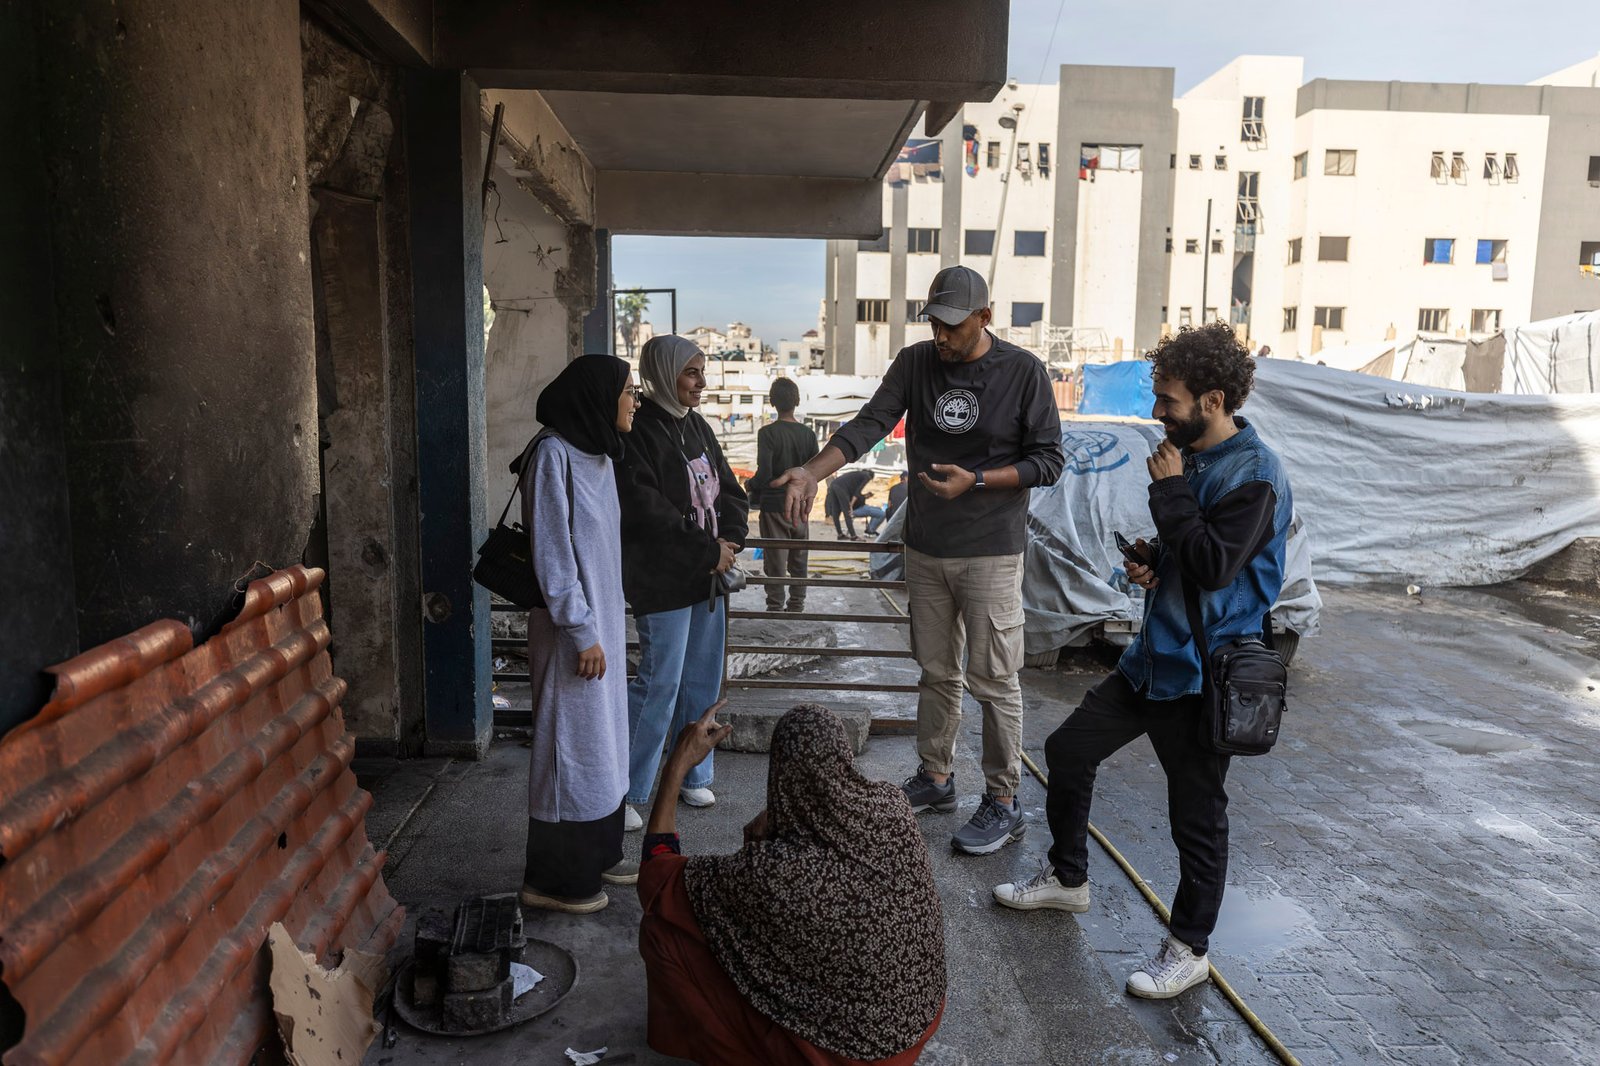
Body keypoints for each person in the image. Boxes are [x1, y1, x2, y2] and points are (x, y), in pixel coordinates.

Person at [993, 322, 1293, 1000]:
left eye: (1169, 399)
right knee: (1068, 750)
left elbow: (1216, 565)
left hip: (1204, 676)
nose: (1158, 411)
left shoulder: (1255, 474)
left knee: (1196, 819)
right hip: (1154, 660)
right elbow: (1193, 552)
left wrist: (1170, 494)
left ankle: (1189, 950)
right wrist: (1154, 560)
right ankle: (1068, 878)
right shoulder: (1196, 460)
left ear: (1212, 401)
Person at [776, 265, 1065, 856]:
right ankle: (936, 777)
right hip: (927, 547)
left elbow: (1049, 461)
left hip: (991, 549)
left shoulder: (1022, 371)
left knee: (993, 679)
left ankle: (1004, 800)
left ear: (985, 317)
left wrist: (977, 480)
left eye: (953, 326)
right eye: (935, 323)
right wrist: (810, 471)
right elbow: (869, 424)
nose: (941, 336)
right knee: (936, 672)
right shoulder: (915, 363)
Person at [637, 701, 946, 1066]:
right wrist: (781, 816)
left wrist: (676, 766)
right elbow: (828, 808)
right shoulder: (893, 805)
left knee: (662, 927)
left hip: (853, 1058)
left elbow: (656, 878)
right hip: (918, 1021)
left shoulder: (772, 873)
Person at [517, 354, 640, 914]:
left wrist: (606, 625)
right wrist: (581, 630)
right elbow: (553, 553)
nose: (634, 401)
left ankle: (599, 853)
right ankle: (554, 881)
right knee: (568, 747)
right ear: (598, 397)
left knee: (602, 744)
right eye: (628, 391)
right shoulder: (553, 454)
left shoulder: (600, 454)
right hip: (574, 632)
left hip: (602, 626)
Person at [617, 336, 749, 826]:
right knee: (660, 683)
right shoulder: (638, 431)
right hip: (664, 580)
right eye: (691, 372)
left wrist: (730, 541)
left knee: (701, 681)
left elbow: (731, 492)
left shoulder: (698, 426)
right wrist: (708, 551)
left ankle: (694, 774)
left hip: (709, 578)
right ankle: (627, 790)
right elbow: (647, 509)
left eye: (702, 371)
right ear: (663, 372)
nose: (701, 382)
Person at [753, 378, 819, 612]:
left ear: (772, 401)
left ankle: (774, 606)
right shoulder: (809, 435)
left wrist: (749, 485)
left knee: (776, 559)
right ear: (797, 401)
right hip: (801, 506)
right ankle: (797, 604)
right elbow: (814, 473)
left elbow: (764, 474)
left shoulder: (767, 433)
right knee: (799, 557)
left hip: (774, 506)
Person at [824, 468, 877, 540]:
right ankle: (853, 536)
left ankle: (840, 534)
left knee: (835, 511)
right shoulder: (866, 476)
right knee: (847, 512)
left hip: (833, 484)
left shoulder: (856, 475)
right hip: (841, 488)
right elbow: (857, 492)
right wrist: (851, 505)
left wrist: (864, 496)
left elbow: (854, 492)